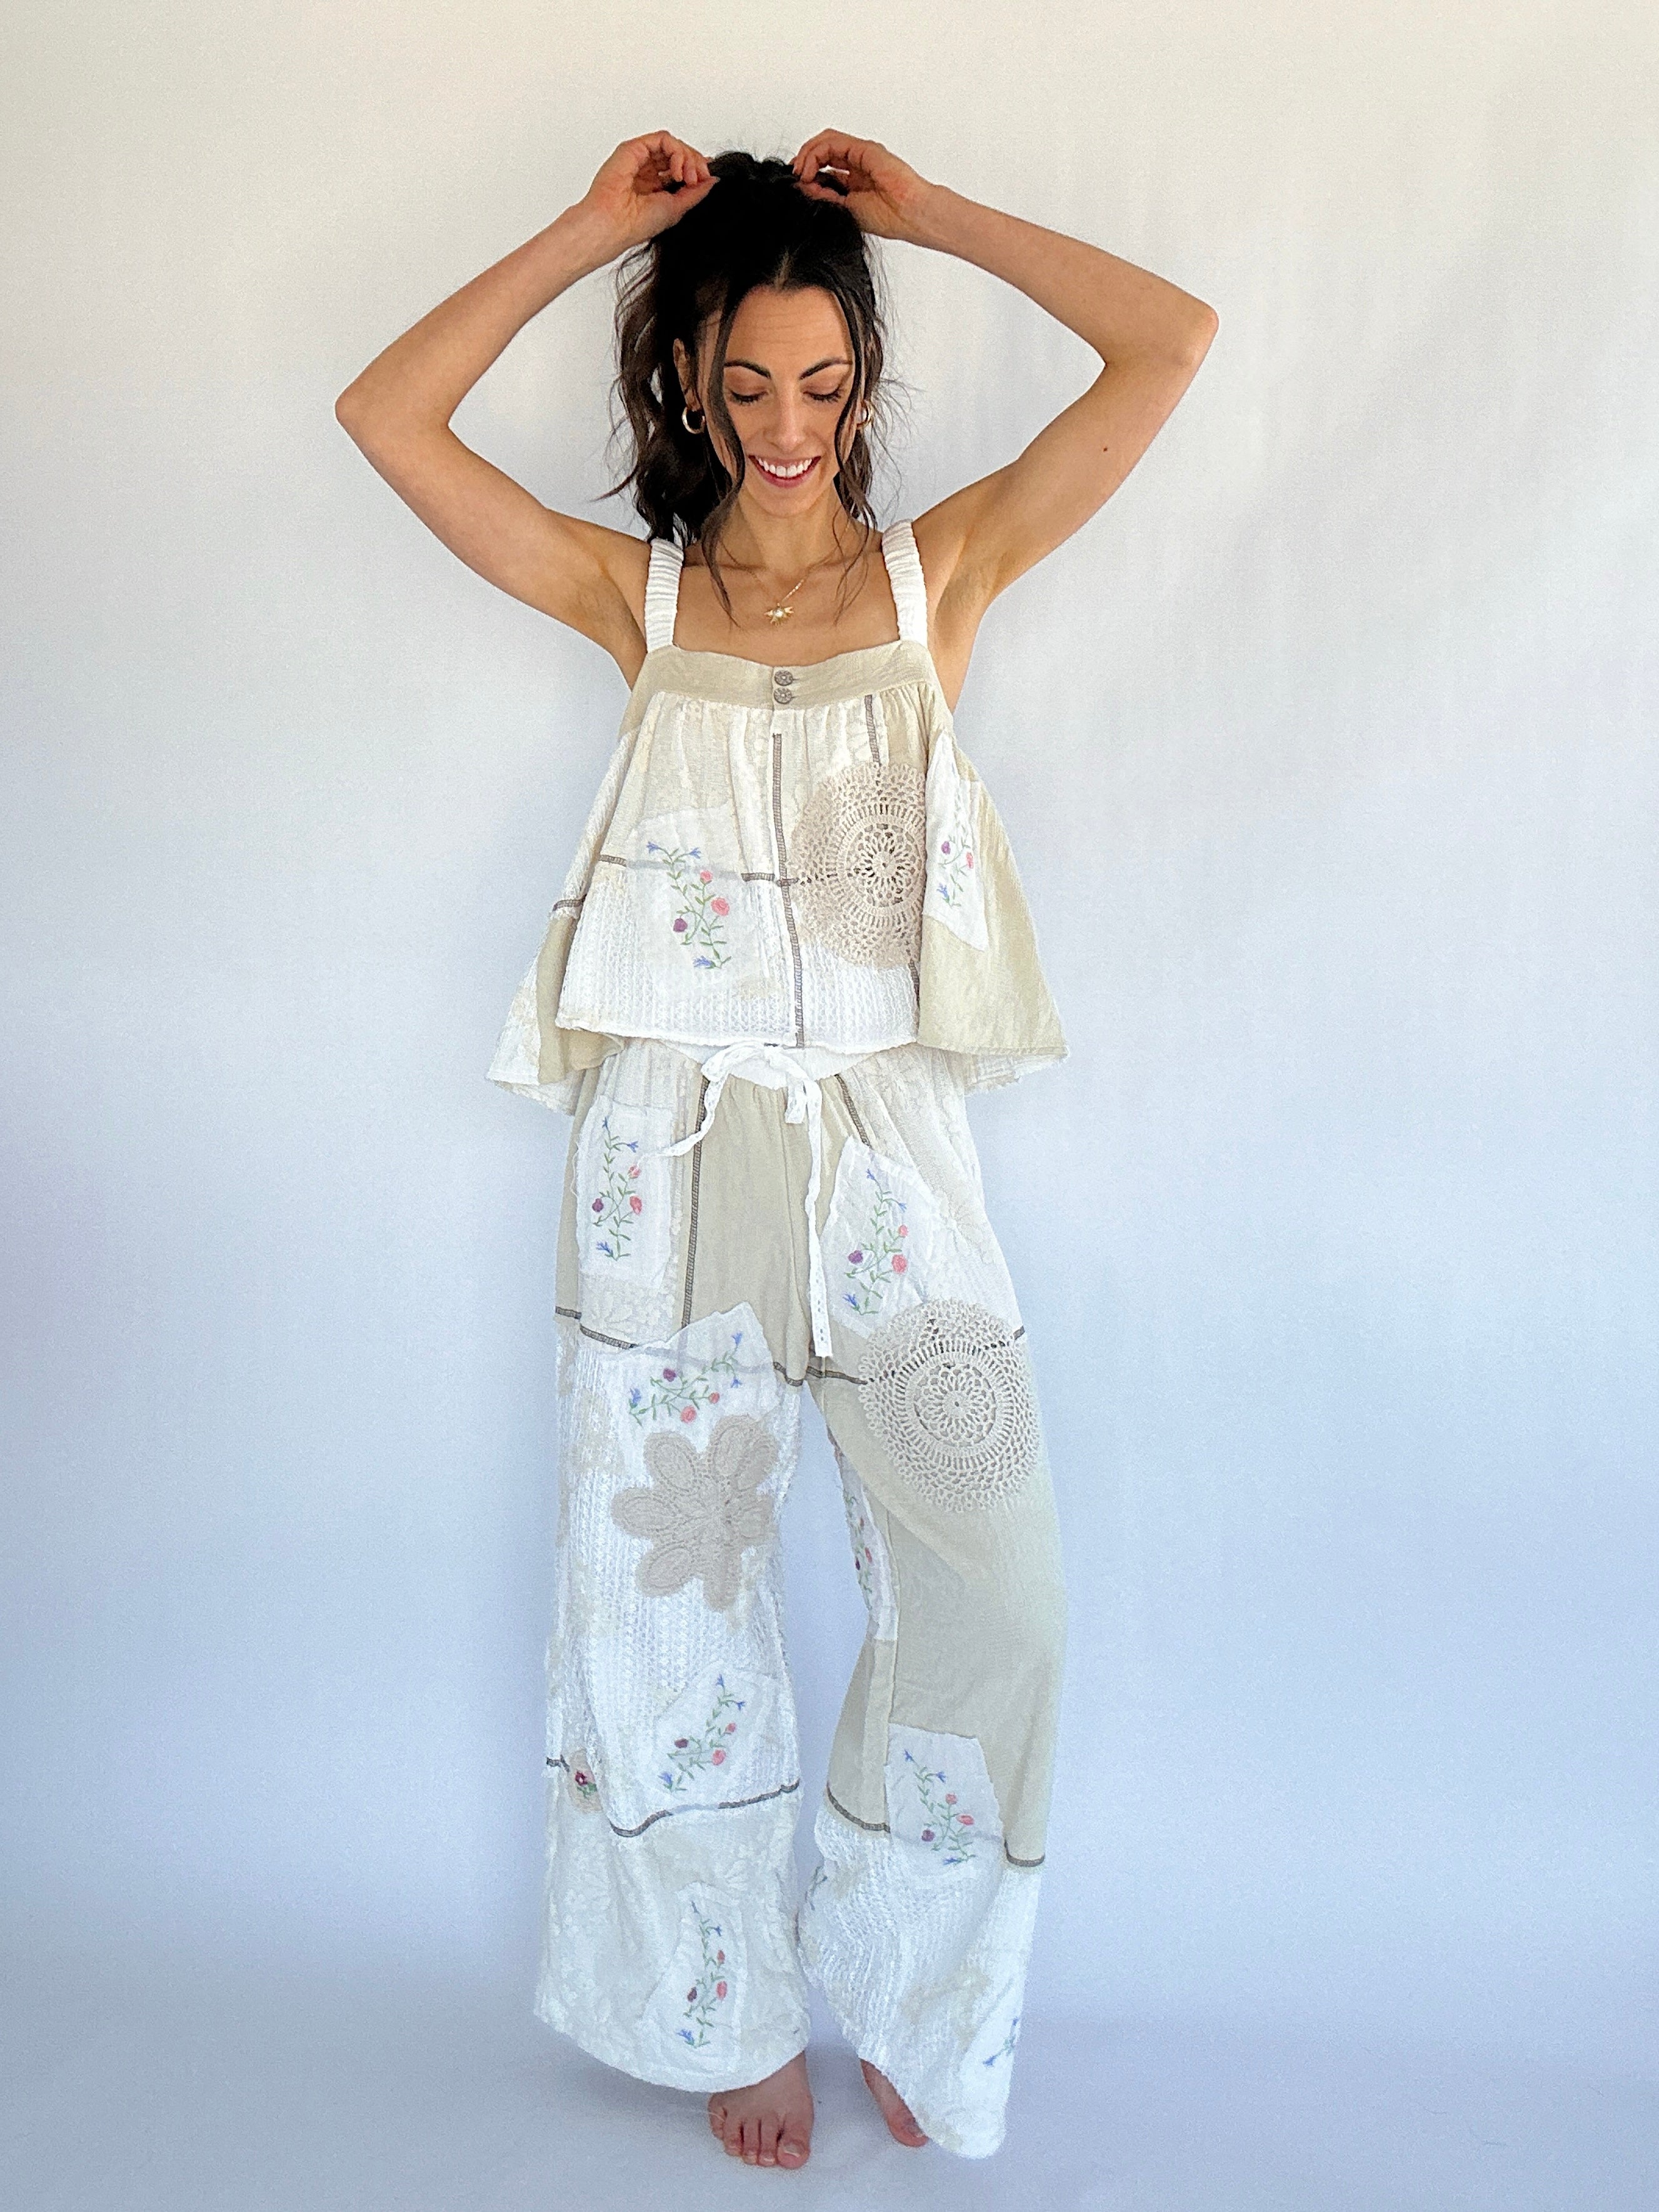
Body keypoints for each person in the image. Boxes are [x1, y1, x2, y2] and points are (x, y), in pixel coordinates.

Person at [336, 128, 1216, 2172]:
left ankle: (915, 1979)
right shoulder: (633, 593)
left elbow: (1171, 347)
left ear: (867, 381)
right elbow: (386, 414)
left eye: (825, 386)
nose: (790, 428)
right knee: (671, 1613)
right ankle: (724, 2005)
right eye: (746, 386)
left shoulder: (945, 575)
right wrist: (593, 231)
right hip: (675, 1149)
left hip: (892, 1153)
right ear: (689, 385)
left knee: (1000, 1590)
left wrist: (929, 218)